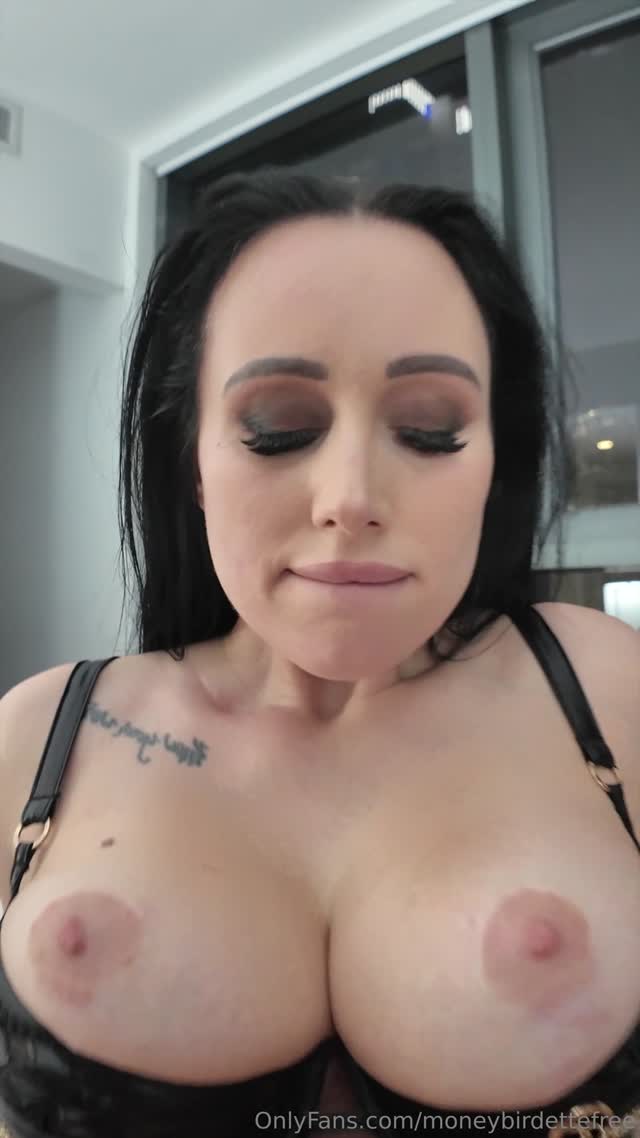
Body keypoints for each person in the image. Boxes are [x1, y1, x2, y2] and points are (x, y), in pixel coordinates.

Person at [0, 168, 638, 1138]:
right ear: (192, 460)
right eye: (278, 429)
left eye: (430, 430)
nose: (350, 497)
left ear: (493, 460)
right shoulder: (39, 731)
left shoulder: (605, 687)